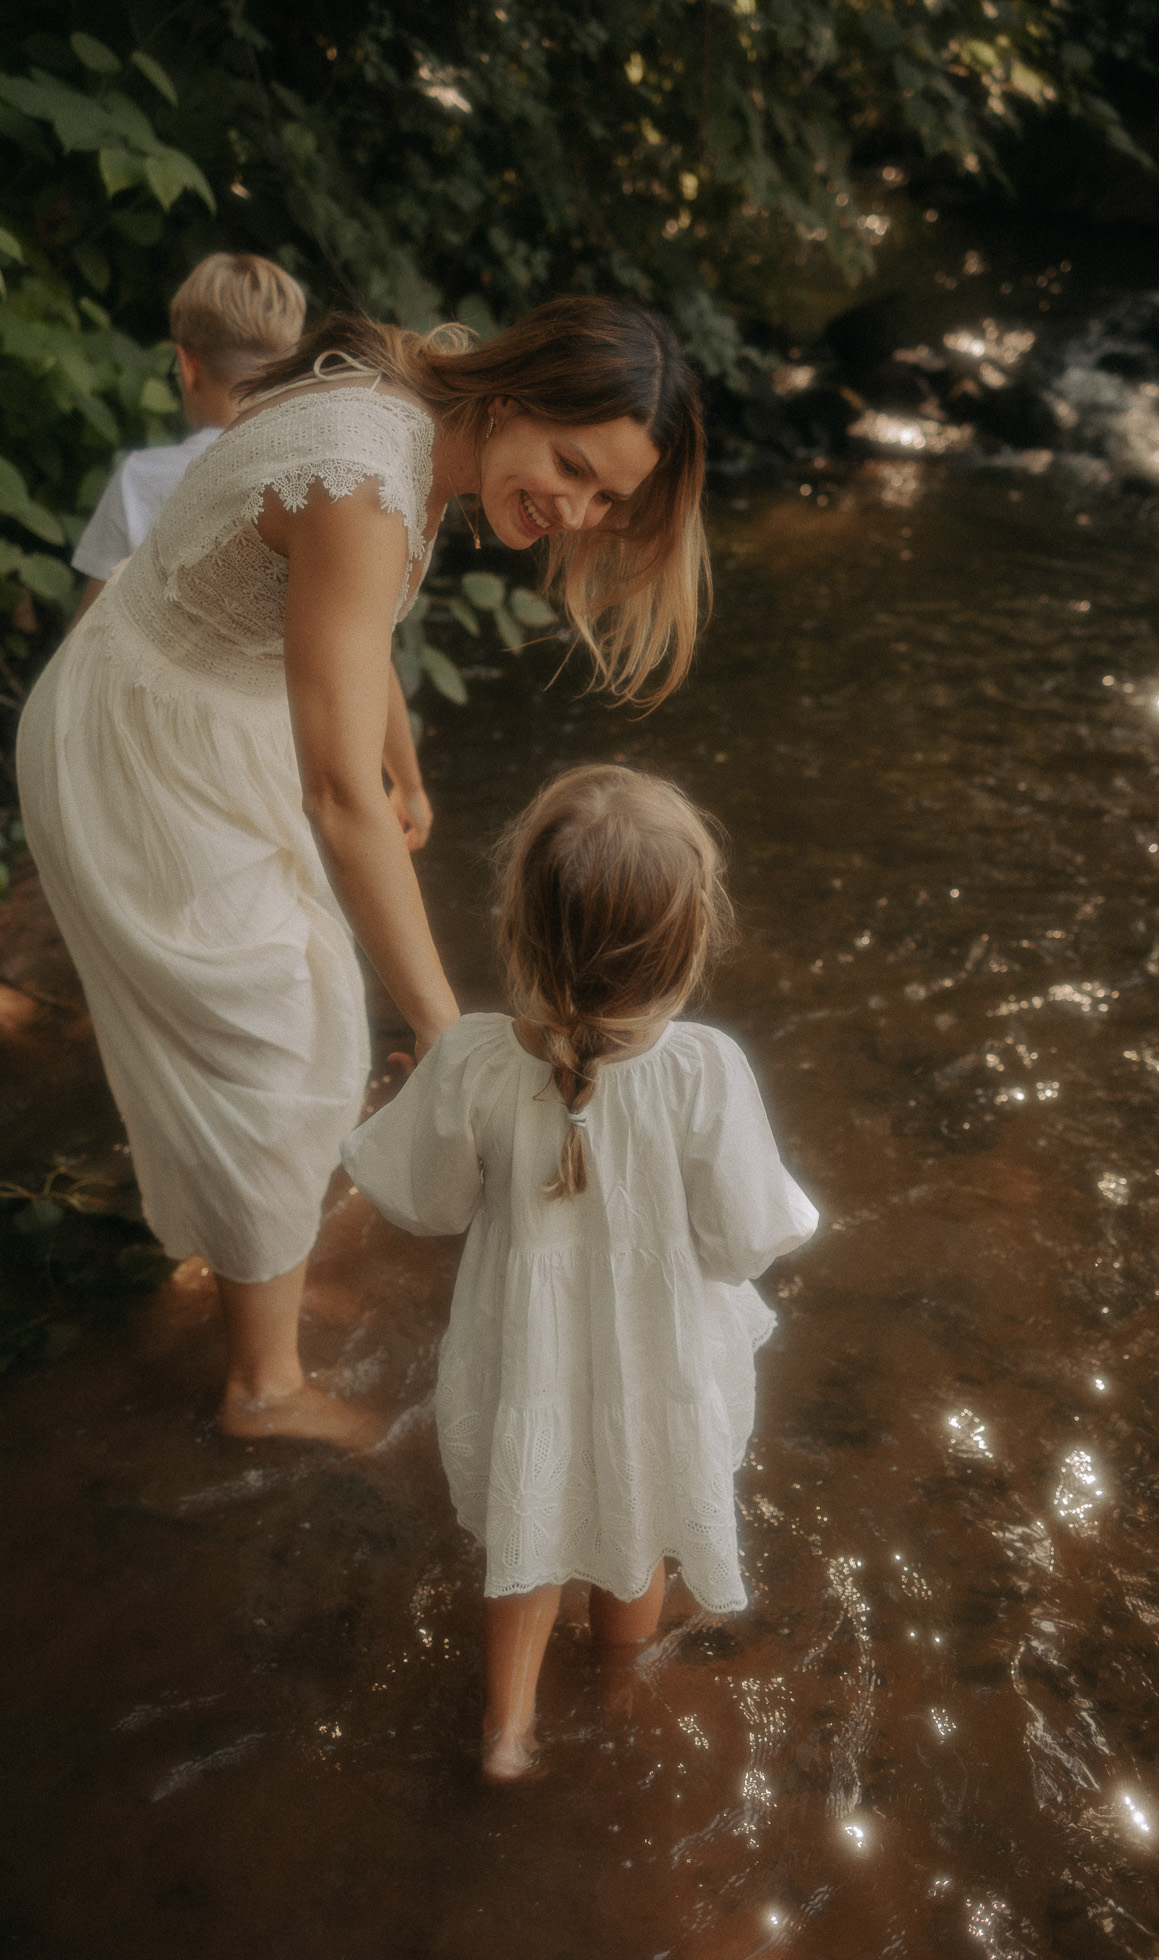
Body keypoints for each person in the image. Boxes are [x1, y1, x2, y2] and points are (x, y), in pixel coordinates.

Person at [17, 298, 711, 1445]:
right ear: (512, 397)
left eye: (604, 500)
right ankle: (262, 1388)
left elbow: (347, 627)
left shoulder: (418, 420)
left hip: (205, 712)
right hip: (140, 747)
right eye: (570, 465)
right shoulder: (361, 475)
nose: (571, 511)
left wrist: (404, 764)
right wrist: (450, 1036)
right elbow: (337, 800)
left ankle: (237, 1250)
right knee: (279, 1035)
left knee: (314, 1014)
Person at [342, 765, 819, 1781]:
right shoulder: (703, 1069)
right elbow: (744, 1237)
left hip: (523, 1354)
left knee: (526, 1527)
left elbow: (425, 1203)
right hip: (657, 1361)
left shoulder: (473, 1058)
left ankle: (506, 1729)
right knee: (632, 1530)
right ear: (688, 941)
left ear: (518, 925)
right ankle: (616, 1690)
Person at [71, 253, 307, 617]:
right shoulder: (314, 479)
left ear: (188, 365)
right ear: (286, 370)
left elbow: (86, 640)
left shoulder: (140, 479)